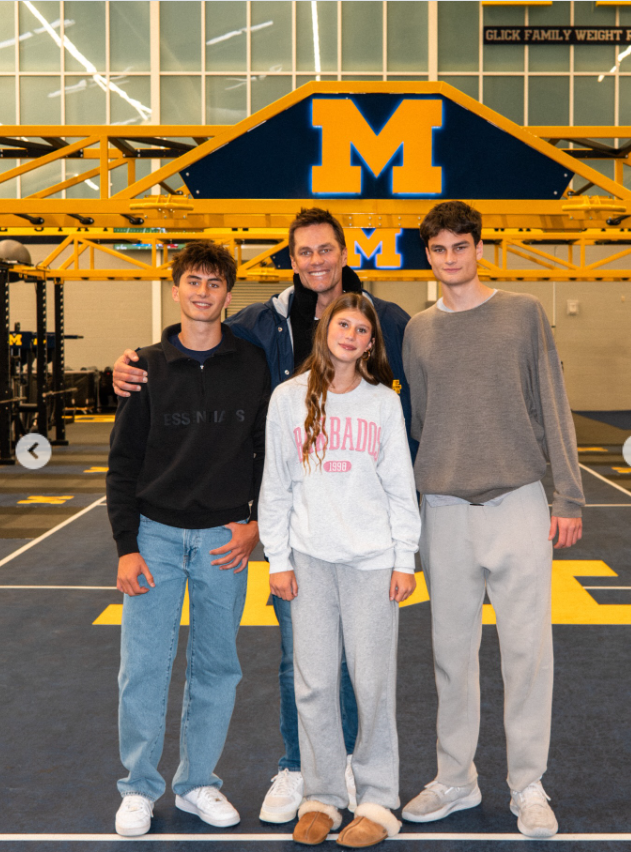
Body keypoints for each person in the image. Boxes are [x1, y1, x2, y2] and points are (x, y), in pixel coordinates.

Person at [111, 207, 415, 824]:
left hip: (335, 537)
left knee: (346, 669)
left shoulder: (390, 325)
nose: (315, 261)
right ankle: (301, 769)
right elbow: (252, 439)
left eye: (325, 250)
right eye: (303, 252)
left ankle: (355, 775)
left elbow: (413, 404)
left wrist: (401, 542)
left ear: (341, 250)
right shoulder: (260, 330)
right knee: (296, 664)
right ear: (292, 258)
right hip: (281, 536)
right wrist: (113, 376)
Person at [401, 201, 584, 839]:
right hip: (445, 511)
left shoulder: (524, 314)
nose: (450, 258)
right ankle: (455, 779)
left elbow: (553, 404)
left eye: (460, 246)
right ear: (429, 255)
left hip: (519, 503)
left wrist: (569, 496)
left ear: (480, 248)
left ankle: (527, 785)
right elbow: (421, 426)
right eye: (438, 249)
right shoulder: (418, 331)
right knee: (451, 654)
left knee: (527, 654)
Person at [107, 241, 270, 837]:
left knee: (217, 666)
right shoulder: (144, 367)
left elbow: (264, 453)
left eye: (214, 283)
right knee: (144, 667)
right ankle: (139, 787)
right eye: (193, 282)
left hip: (225, 541)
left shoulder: (251, 365)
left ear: (229, 295)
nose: (203, 292)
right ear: (176, 290)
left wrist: (255, 525)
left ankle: (199, 781)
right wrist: (126, 545)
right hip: (154, 537)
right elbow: (122, 464)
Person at [259, 292, 421, 847]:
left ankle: (377, 801)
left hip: (373, 563)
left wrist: (405, 559)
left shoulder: (382, 404)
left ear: (371, 344)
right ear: (326, 329)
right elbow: (275, 487)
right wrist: (278, 560)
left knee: (373, 683)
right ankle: (322, 796)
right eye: (343, 324)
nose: (351, 335)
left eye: (362, 330)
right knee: (313, 682)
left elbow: (402, 488)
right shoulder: (287, 399)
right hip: (308, 562)